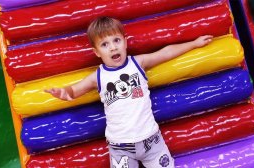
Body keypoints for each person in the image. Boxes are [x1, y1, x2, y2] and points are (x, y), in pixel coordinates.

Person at [45, 16, 213, 168]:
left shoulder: (138, 63)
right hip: (121, 148)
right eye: (105, 44)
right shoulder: (97, 77)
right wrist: (63, 93)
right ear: (96, 52)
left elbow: (165, 53)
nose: (112, 48)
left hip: (151, 141)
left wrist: (194, 44)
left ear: (125, 42)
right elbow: (74, 91)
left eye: (116, 40)